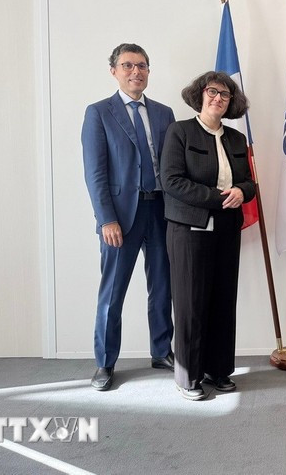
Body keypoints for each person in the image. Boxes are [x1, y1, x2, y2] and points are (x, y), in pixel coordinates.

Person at [81, 43, 175, 391]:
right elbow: (95, 173)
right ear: (114, 71)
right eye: (128, 65)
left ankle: (162, 351)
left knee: (163, 287)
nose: (136, 72)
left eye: (142, 66)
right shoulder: (99, 113)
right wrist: (107, 219)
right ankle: (105, 363)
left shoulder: (165, 113)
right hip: (120, 218)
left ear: (149, 71)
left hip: (161, 212)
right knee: (113, 291)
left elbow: (173, 166)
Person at [160, 71, 255, 401]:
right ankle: (188, 376)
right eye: (212, 92)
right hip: (189, 232)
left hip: (228, 231)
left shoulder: (236, 139)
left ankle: (219, 370)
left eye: (225, 95)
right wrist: (219, 199)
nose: (218, 98)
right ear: (200, 94)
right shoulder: (180, 132)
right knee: (190, 303)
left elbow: (248, 183)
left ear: (232, 102)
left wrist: (242, 192)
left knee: (222, 301)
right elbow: (172, 181)